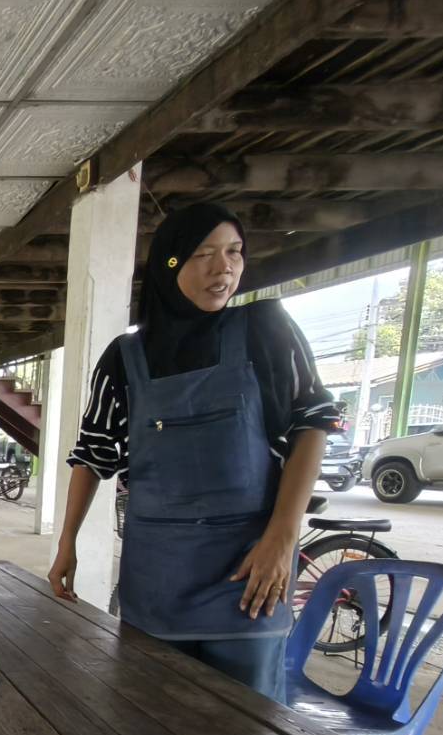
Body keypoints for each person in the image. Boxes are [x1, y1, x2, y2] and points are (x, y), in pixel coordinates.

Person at [47, 202, 339, 703]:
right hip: (157, 577)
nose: (223, 267)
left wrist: (281, 539)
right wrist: (67, 542)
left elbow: (313, 423)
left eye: (234, 252)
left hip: (249, 574)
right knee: (152, 725)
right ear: (170, 265)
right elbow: (94, 453)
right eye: (203, 254)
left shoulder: (265, 330)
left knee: (244, 733)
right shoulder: (126, 357)